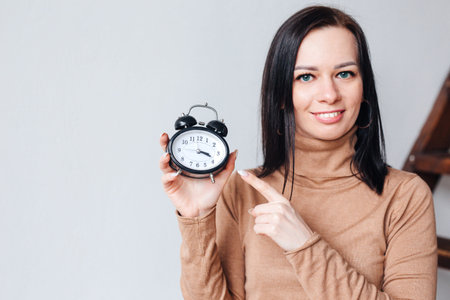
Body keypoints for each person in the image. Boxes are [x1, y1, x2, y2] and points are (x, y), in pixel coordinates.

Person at [159, 5, 437, 300]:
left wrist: (304, 245)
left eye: (345, 73)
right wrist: (197, 220)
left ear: (364, 86)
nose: (329, 94)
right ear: (280, 95)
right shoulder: (243, 190)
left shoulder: (405, 196)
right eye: (306, 77)